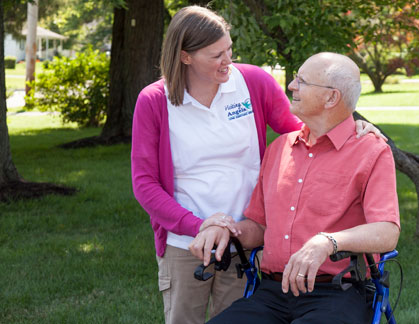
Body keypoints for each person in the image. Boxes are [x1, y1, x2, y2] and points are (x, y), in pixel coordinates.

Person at [131, 7, 383, 324]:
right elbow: (144, 184)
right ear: (185, 57)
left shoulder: (251, 82)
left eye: (229, 50)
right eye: (215, 55)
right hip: (187, 242)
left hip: (247, 239)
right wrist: (200, 226)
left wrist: (350, 128)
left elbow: (302, 131)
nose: (227, 61)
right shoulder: (155, 100)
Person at [189, 52, 401, 323]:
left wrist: (328, 242)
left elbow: (387, 231)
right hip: (272, 292)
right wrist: (225, 229)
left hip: (337, 292)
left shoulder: (371, 151)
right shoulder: (279, 148)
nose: (291, 85)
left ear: (331, 98)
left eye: (302, 81)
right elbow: (260, 227)